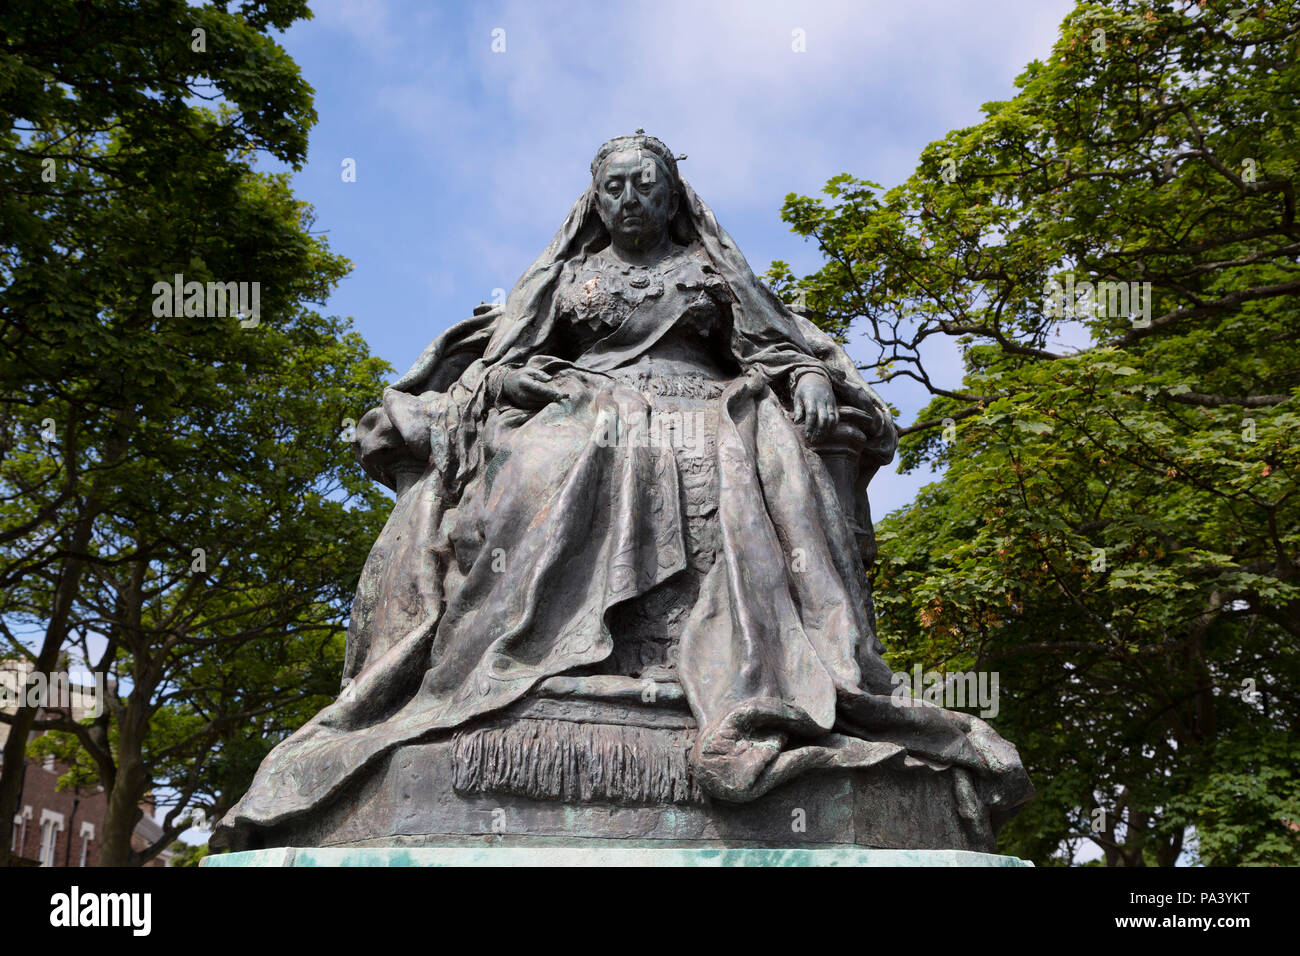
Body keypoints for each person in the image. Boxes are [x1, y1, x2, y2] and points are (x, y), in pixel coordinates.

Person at [213, 133, 1029, 846]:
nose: (630, 198)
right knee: (554, 457)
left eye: (646, 184)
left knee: (742, 455)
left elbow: (774, 346)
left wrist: (811, 375)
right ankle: (532, 652)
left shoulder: (710, 274)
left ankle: (746, 662)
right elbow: (502, 361)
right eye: (615, 186)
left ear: (673, 196)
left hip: (710, 407)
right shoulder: (566, 280)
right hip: (582, 404)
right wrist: (502, 390)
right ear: (593, 198)